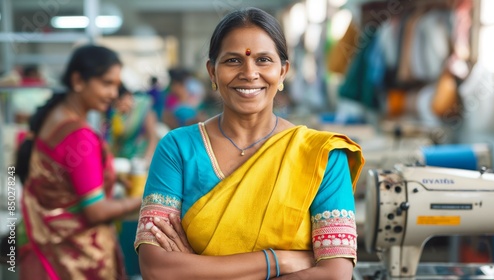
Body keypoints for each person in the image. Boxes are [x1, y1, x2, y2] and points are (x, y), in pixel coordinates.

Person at [135, 7, 364, 280]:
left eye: (264, 60)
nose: (249, 72)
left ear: (283, 72)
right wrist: (278, 261)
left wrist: (195, 268)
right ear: (212, 72)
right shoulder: (177, 148)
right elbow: (156, 269)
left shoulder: (322, 155)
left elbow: (334, 275)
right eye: (233, 61)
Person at [15, 44, 142, 280]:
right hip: (72, 262)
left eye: (116, 85)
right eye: (107, 83)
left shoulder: (54, 118)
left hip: (43, 252)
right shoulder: (79, 137)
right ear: (78, 81)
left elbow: (63, 179)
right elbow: (96, 211)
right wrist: (143, 200)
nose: (114, 93)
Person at [106, 83, 159, 164]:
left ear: (129, 96)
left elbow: (152, 137)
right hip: (120, 159)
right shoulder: (115, 113)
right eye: (118, 104)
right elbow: (113, 139)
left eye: (123, 101)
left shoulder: (143, 107)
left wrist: (146, 159)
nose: (122, 106)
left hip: (139, 156)